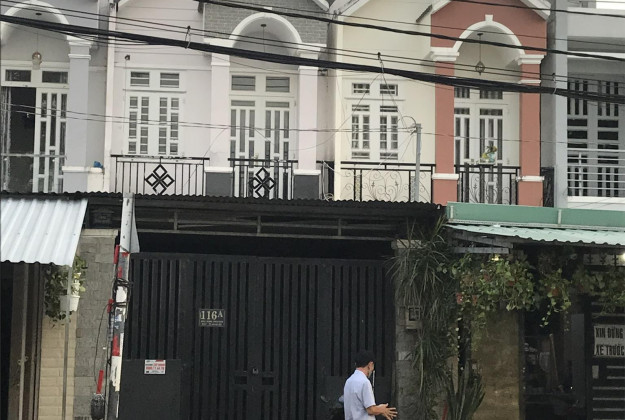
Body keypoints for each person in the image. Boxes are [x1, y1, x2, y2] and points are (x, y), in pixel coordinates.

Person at [343, 350, 397, 420]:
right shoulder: (365, 382)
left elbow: (359, 407)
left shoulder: (349, 381)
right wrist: (382, 409)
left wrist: (378, 409)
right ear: (370, 365)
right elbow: (371, 410)